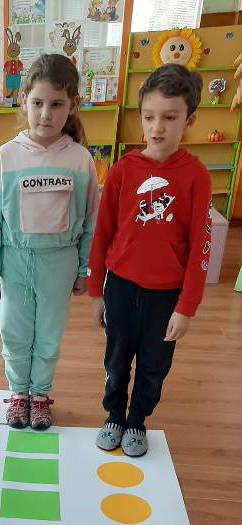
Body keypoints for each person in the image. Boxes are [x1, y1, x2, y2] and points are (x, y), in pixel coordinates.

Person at [88, 63, 212, 457]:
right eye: (148, 117)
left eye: (169, 118)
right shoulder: (123, 171)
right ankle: (114, 415)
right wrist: (96, 291)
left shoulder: (196, 176)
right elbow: (102, 234)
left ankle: (137, 420)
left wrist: (186, 307)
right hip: (121, 288)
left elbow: (201, 246)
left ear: (189, 120)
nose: (157, 127)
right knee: (116, 359)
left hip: (166, 296)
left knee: (154, 366)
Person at [0, 53, 98, 430]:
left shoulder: (80, 160)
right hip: (14, 261)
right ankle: (18, 393)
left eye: (57, 104)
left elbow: (91, 220)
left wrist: (85, 269)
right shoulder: (6, 157)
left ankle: (40, 394)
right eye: (38, 103)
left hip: (59, 263)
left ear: (73, 105)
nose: (46, 114)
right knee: (13, 332)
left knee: (49, 334)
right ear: (24, 99)